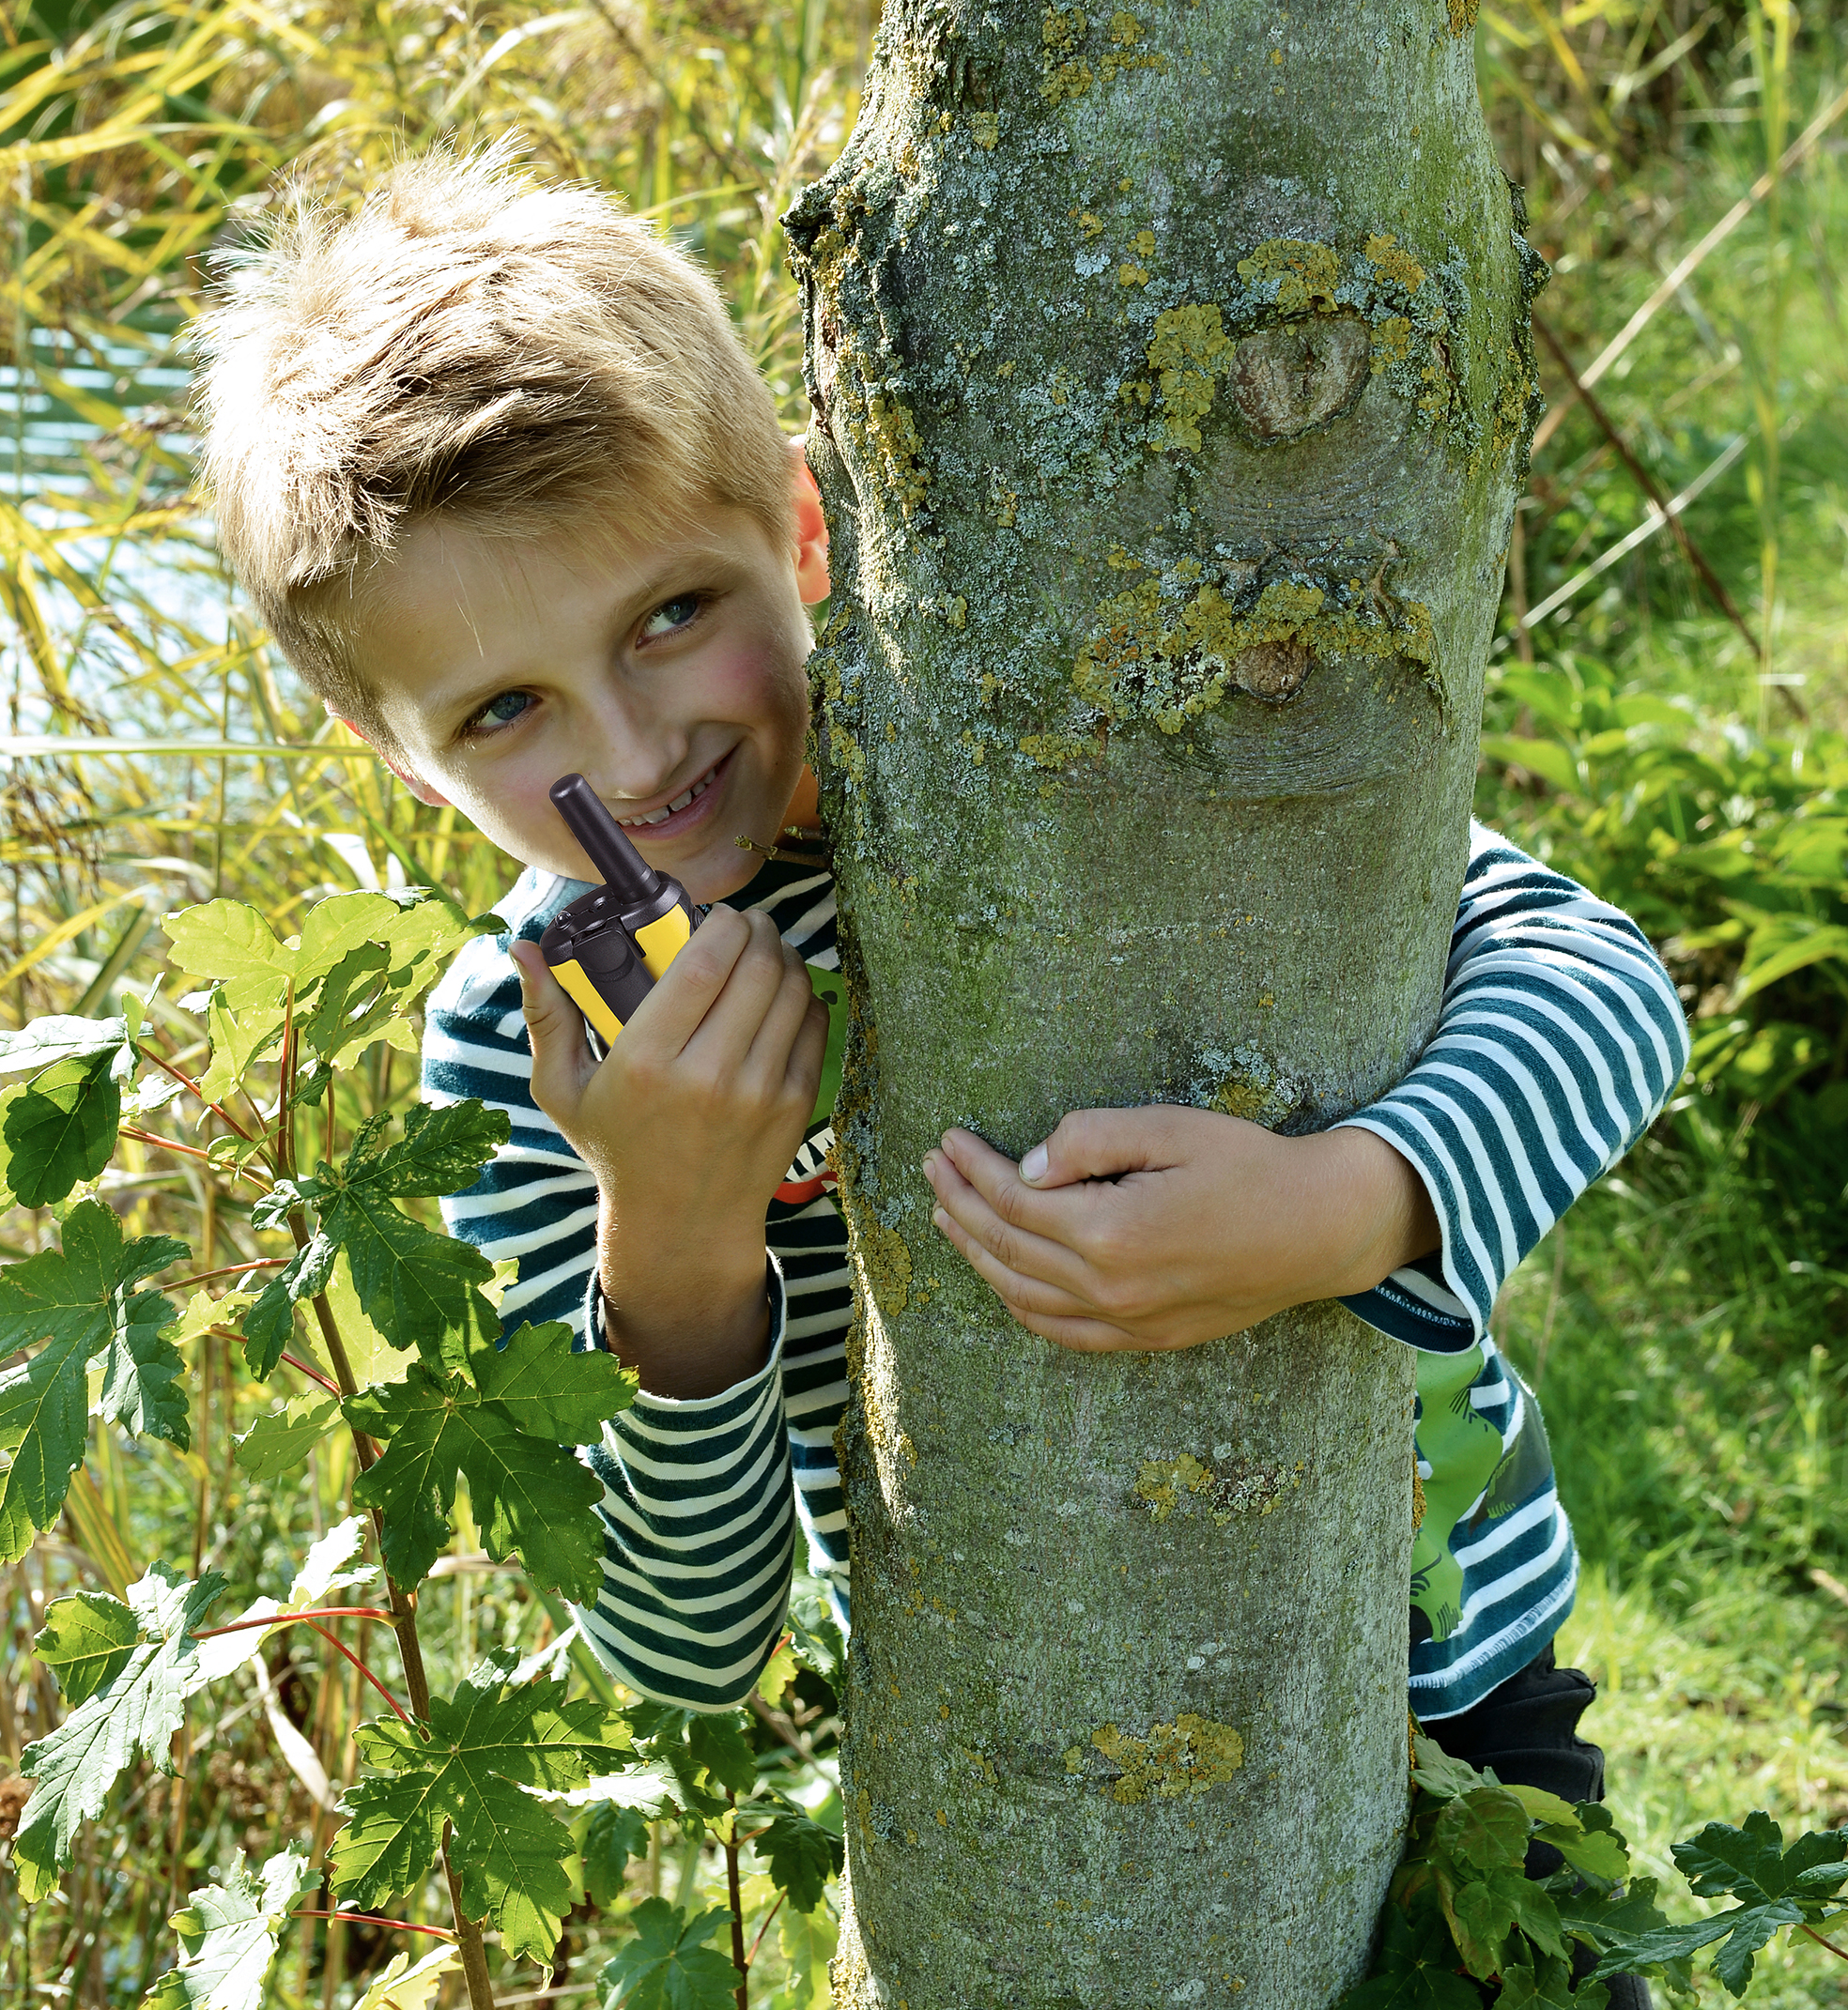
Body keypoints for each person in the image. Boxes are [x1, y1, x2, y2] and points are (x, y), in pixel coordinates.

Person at [195, 150, 1687, 1924]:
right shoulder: (540, 1055)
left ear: (804, 529)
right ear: (407, 758)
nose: (635, 747)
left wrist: (1354, 1204)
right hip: (1015, 1750)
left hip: (1444, 1664)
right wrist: (672, 1239)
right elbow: (690, 1648)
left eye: (674, 613)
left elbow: (1597, 975)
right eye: (509, 708)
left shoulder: (1041, 759)